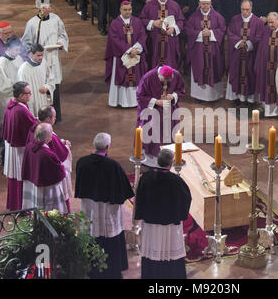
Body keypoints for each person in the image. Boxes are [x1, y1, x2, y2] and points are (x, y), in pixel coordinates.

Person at [75, 132, 134, 279]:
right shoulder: (113, 166)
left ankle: (90, 268)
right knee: (110, 234)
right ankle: (112, 270)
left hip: (89, 207)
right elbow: (125, 190)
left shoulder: (82, 162)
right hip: (107, 210)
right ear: (108, 147)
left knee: (90, 231)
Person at [135, 149, 191, 279]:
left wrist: (142, 214)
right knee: (170, 253)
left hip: (150, 224)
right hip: (170, 225)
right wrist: (180, 216)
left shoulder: (146, 178)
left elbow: (139, 198)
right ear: (171, 164)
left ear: (157, 161)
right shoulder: (176, 181)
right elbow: (186, 198)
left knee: (152, 251)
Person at [22, 3, 69, 123]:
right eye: (44, 7)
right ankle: (42, 117)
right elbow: (26, 42)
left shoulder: (56, 19)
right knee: (42, 86)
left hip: (53, 58)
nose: (47, 9)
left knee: (54, 84)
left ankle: (55, 117)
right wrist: (34, 53)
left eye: (49, 6)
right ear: (39, 8)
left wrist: (60, 42)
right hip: (39, 60)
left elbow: (63, 34)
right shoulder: (32, 23)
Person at [136, 65, 185, 167]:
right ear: (159, 75)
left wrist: (173, 96)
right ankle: (152, 161)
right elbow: (140, 96)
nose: (166, 83)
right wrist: (157, 102)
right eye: (163, 80)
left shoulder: (176, 74)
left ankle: (168, 159)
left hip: (169, 111)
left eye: (168, 81)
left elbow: (181, 90)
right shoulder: (148, 77)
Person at [27, 106, 73, 213]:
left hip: (39, 174)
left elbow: (54, 142)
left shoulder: (36, 128)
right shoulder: (46, 133)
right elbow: (60, 154)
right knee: (53, 205)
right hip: (50, 179)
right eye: (54, 117)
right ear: (48, 118)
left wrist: (61, 141)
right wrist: (66, 147)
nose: (55, 119)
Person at [186, 0, 226, 102]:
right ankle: (199, 96)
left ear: (211, 4)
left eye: (207, 4)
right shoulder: (193, 17)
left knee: (213, 68)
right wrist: (200, 34)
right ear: (199, 4)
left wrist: (212, 33)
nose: (205, 6)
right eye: (203, 4)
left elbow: (223, 29)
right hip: (198, 51)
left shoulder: (218, 17)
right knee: (200, 67)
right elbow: (188, 30)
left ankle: (214, 96)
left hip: (213, 50)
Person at [2, 81, 38, 211]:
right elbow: (34, 127)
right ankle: (22, 206)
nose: (30, 95)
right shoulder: (20, 110)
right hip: (19, 149)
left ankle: (14, 204)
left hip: (12, 146)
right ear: (22, 95)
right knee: (21, 176)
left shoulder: (11, 105)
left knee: (14, 176)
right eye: (29, 93)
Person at [105, 1, 148, 108]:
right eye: (125, 10)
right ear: (120, 10)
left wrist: (136, 48)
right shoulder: (115, 23)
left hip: (135, 54)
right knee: (122, 76)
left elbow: (143, 35)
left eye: (129, 9)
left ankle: (135, 101)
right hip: (121, 57)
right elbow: (114, 40)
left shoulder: (137, 22)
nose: (128, 12)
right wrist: (129, 50)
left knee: (135, 76)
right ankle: (121, 101)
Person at [22, 123, 67, 213]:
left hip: (33, 183)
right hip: (47, 189)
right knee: (48, 211)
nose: (52, 135)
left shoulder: (29, 146)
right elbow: (59, 173)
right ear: (47, 138)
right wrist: (62, 166)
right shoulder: (47, 154)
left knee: (36, 208)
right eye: (51, 133)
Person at [226, 0, 263, 105]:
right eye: (243, 9)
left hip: (251, 55)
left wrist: (249, 44)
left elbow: (260, 36)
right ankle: (237, 98)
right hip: (237, 55)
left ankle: (251, 100)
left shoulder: (258, 22)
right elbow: (230, 33)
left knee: (250, 75)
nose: (245, 12)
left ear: (251, 9)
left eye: (247, 9)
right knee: (237, 74)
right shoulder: (235, 19)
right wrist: (239, 42)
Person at [139, 0, 185, 69]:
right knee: (154, 63)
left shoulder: (174, 5)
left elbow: (181, 21)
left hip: (170, 41)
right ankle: (154, 80)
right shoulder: (149, 5)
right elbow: (141, 20)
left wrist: (174, 28)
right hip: (154, 41)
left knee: (170, 63)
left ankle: (170, 81)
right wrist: (153, 23)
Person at [0, 37, 24, 142]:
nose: (18, 52)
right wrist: (19, 87)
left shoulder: (18, 58)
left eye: (19, 49)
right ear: (8, 49)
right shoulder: (1, 64)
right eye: (16, 50)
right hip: (6, 100)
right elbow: (3, 87)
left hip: (19, 96)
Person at [17, 43, 56, 118]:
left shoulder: (44, 63)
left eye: (42, 55)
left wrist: (46, 87)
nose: (41, 58)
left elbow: (51, 78)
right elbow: (22, 90)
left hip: (43, 100)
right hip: (32, 102)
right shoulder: (24, 70)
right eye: (38, 55)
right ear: (31, 54)